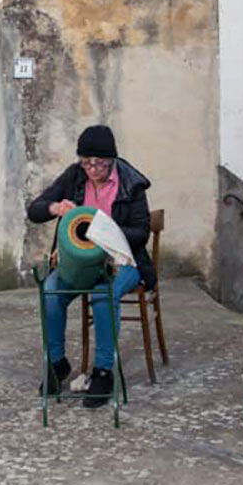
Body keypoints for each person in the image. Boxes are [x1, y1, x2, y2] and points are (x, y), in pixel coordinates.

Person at [27, 125, 153, 408]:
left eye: (99, 163)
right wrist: (56, 208)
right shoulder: (74, 176)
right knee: (50, 291)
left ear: (113, 160)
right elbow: (35, 210)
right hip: (79, 262)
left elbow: (142, 231)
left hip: (122, 260)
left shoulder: (131, 183)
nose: (92, 169)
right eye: (86, 162)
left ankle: (103, 370)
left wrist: (106, 231)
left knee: (102, 294)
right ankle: (57, 363)